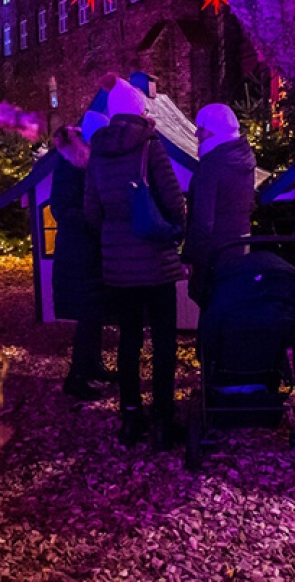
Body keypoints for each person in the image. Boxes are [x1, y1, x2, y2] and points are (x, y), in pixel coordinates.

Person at [85, 74, 186, 449]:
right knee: (163, 341)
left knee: (128, 341)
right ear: (140, 111)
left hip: (118, 265)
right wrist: (175, 230)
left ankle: (130, 417)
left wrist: (114, 236)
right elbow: (173, 200)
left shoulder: (97, 152)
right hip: (155, 260)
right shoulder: (149, 147)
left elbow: (91, 210)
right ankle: (163, 418)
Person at [51, 111, 117, 401]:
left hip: (88, 247)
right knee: (88, 312)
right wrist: (95, 218)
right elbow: (61, 208)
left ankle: (92, 365)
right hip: (79, 250)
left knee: (95, 311)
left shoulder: (85, 165)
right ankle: (77, 376)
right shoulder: (71, 166)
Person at [184, 104, 257, 306]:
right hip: (241, 241)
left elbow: (203, 220)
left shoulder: (212, 165)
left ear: (213, 130)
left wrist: (190, 255)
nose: (197, 134)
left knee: (211, 304)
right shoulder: (244, 158)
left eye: (202, 128)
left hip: (215, 248)